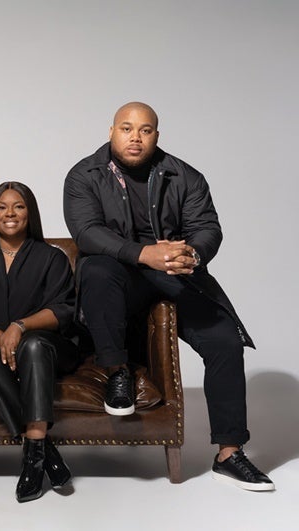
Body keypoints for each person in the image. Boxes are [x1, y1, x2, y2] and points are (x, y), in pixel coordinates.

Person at [63, 102, 274, 491]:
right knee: (95, 265)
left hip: (175, 276)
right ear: (111, 130)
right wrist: (145, 254)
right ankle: (117, 373)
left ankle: (230, 453)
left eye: (145, 130)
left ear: (156, 136)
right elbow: (86, 231)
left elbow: (207, 227)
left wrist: (190, 254)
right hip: (119, 279)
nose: (135, 137)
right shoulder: (85, 175)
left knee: (225, 342)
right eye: (127, 128)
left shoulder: (184, 175)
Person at [0, 182, 79, 502]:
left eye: (18, 206)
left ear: (29, 212)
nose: (10, 213)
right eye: (1, 207)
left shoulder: (52, 257)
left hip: (47, 346)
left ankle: (32, 458)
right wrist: (1, 336)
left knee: (33, 345)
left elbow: (62, 310)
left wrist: (20, 328)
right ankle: (42, 452)